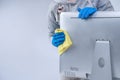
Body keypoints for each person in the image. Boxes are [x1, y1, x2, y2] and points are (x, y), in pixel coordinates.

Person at [48, 0, 114, 80]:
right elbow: (51, 33)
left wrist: (98, 15)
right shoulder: (55, 5)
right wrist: (54, 40)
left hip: (99, 59)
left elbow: (114, 24)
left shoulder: (99, 1)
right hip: (70, 63)